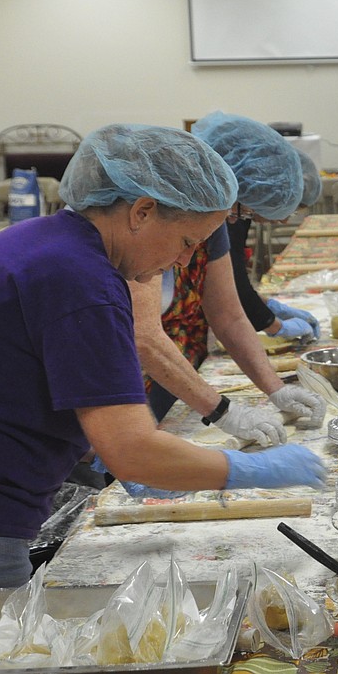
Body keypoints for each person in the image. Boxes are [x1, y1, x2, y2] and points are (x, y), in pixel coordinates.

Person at [0, 124, 327, 590]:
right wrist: (253, 470)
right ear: (143, 211)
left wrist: (106, 449)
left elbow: (33, 377)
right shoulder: (82, 281)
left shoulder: (46, 243)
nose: (182, 262)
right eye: (187, 242)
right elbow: (133, 449)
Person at [132, 112, 326, 440]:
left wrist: (275, 389)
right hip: (120, 385)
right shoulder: (146, 224)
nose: (185, 259)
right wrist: (222, 411)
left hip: (172, 369)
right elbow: (145, 338)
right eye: (244, 211)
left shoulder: (213, 216)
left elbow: (228, 313)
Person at [226, 149, 323, 340]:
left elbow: (232, 282)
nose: (285, 220)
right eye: (288, 208)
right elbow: (229, 285)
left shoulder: (240, 213)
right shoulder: (231, 216)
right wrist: (274, 325)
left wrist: (268, 306)